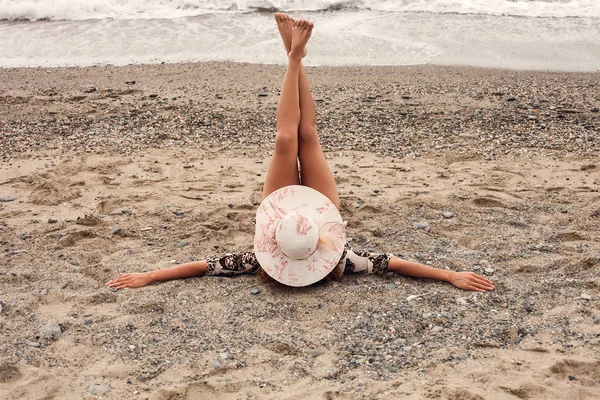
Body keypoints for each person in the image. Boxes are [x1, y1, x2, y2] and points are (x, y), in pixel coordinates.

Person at [106, 14, 494, 293]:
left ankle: (293, 56)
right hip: (320, 207)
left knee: (284, 141)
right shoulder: (342, 260)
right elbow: (393, 264)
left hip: (282, 208)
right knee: (306, 135)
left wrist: (150, 275)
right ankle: (294, 55)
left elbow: (202, 267)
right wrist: (449, 275)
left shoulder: (258, 261)